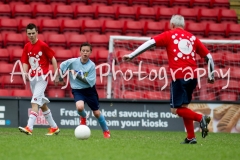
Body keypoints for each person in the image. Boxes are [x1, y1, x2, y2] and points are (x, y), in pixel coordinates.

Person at [123, 15, 214, 144]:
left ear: (171, 25)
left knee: (175, 109)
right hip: (193, 77)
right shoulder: (192, 38)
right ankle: (191, 137)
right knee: (184, 107)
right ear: (183, 25)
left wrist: (132, 55)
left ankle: (201, 118)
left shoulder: (170, 35)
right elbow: (209, 57)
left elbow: (150, 43)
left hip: (179, 76)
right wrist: (211, 75)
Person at [59, 42, 110, 138]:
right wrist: (61, 78)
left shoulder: (91, 65)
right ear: (80, 52)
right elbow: (62, 66)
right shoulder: (73, 62)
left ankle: (106, 131)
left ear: (90, 53)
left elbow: (89, 82)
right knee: (80, 107)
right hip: (78, 90)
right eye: (83, 51)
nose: (85, 53)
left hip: (90, 91)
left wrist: (77, 75)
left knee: (96, 113)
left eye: (87, 51)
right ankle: (83, 116)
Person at [18, 23, 60, 136]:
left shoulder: (42, 45)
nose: (31, 35)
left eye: (33, 33)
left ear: (37, 33)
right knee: (41, 104)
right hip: (33, 78)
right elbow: (25, 61)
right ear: (26, 34)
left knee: (34, 102)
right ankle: (54, 127)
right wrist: (24, 72)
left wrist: (56, 74)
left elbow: (53, 58)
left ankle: (29, 127)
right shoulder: (27, 46)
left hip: (42, 77)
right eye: (29, 33)